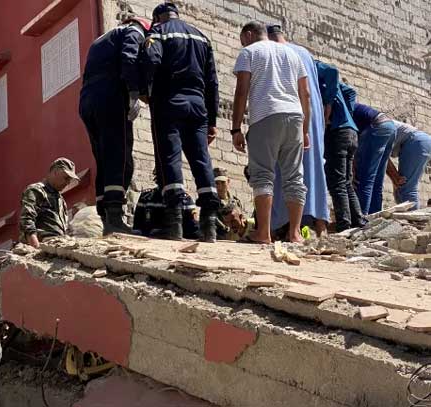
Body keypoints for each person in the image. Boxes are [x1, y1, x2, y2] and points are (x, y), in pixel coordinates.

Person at [143, 2, 221, 241]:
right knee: (201, 160)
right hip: (198, 106)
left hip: (169, 102)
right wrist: (212, 120)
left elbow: (150, 60)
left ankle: (174, 225)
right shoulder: (202, 37)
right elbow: (213, 82)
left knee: (170, 158)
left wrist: (146, 91)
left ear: (158, 18)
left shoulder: (158, 33)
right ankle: (209, 227)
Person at [231, 21, 311, 244]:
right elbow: (305, 94)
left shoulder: (248, 52)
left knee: (263, 174)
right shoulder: (292, 54)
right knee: (294, 176)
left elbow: (241, 92)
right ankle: (295, 233)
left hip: (265, 116)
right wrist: (304, 130)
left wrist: (236, 128)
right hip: (294, 117)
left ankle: (263, 233)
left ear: (248, 35)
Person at [79, 16, 151, 235]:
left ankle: (104, 217)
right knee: (120, 159)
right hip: (111, 97)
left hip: (88, 102)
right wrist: (133, 94)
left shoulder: (100, 40)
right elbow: (129, 58)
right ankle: (114, 217)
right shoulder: (134, 32)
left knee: (103, 158)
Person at [267, 25, 330, 236]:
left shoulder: (277, 52)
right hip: (312, 117)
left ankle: (284, 226)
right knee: (313, 169)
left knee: (283, 170)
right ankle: (320, 225)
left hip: (291, 114)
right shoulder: (305, 53)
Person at [314, 62, 365, 232]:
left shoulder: (316, 76)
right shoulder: (331, 86)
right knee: (346, 182)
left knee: (337, 183)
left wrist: (329, 106)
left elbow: (333, 70)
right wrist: (347, 114)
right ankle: (358, 222)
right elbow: (350, 91)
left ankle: (345, 227)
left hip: (337, 132)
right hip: (351, 131)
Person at [19, 158, 79, 247]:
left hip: (57, 246)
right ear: (55, 172)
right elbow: (27, 219)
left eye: (70, 180)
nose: (68, 183)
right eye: (66, 178)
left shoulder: (60, 200)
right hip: (42, 245)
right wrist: (35, 247)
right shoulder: (36, 190)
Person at [353, 103, 397, 214]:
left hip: (376, 126)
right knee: (377, 179)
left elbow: (350, 141)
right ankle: (375, 216)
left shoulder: (336, 109)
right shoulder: (351, 104)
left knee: (364, 178)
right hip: (390, 127)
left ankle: (361, 218)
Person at [387, 121, 431, 209]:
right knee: (400, 190)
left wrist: (395, 177)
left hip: (416, 142)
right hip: (421, 141)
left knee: (405, 187)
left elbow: (382, 157)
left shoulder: (364, 130)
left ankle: (415, 220)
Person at [133, 185, 201, 239]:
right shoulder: (146, 196)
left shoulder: (184, 199)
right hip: (149, 239)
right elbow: (137, 227)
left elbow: (194, 230)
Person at [213, 167, 243, 240]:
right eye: (217, 183)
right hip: (219, 240)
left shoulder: (236, 201)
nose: (220, 186)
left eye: (223, 182)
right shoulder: (211, 202)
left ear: (228, 182)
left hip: (235, 238)